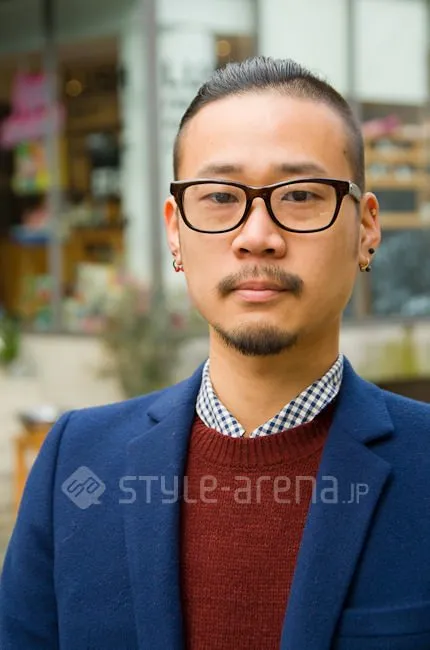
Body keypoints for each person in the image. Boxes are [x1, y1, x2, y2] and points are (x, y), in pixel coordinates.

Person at [1, 56, 430, 650]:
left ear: (367, 228)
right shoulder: (77, 463)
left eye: (300, 195)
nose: (257, 236)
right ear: (175, 231)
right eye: (221, 197)